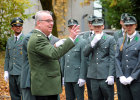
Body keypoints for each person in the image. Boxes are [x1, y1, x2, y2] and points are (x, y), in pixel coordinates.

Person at [27, 10, 80, 100]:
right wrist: (70, 39)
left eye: (52, 21)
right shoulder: (38, 38)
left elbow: (48, 52)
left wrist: (55, 45)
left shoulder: (41, 37)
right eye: (48, 21)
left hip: (47, 86)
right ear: (38, 23)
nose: (51, 23)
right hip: (45, 87)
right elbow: (54, 54)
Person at [84, 17, 116, 100]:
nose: (97, 28)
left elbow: (113, 58)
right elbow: (85, 53)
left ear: (103, 26)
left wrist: (111, 75)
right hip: (93, 75)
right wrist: (92, 43)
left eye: (99, 26)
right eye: (95, 27)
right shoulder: (90, 39)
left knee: (109, 97)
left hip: (105, 75)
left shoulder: (110, 39)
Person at [60, 19, 87, 100]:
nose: (72, 29)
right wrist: (63, 76)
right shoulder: (66, 42)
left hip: (77, 77)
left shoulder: (82, 42)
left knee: (79, 98)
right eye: (70, 27)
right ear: (69, 29)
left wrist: (82, 77)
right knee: (69, 98)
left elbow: (84, 61)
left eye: (74, 27)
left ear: (78, 28)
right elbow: (63, 60)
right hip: (68, 76)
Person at [115, 16, 140, 100]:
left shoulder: (139, 39)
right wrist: (120, 75)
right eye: (127, 25)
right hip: (123, 80)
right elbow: (117, 58)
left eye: (131, 25)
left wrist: (132, 77)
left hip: (137, 80)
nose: (128, 27)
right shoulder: (121, 40)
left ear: (135, 25)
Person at [4, 17, 24, 100]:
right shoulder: (9, 40)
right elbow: (7, 56)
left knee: (24, 95)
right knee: (14, 95)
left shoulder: (26, 39)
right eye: (15, 26)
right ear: (12, 28)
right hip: (12, 72)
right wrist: (6, 70)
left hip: (22, 72)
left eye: (20, 26)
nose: (18, 27)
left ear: (22, 27)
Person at [113, 13, 131, 100]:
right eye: (124, 21)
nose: (126, 23)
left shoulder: (134, 34)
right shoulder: (116, 34)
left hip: (131, 69)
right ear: (120, 22)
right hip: (119, 69)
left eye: (127, 21)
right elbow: (115, 54)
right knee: (120, 94)